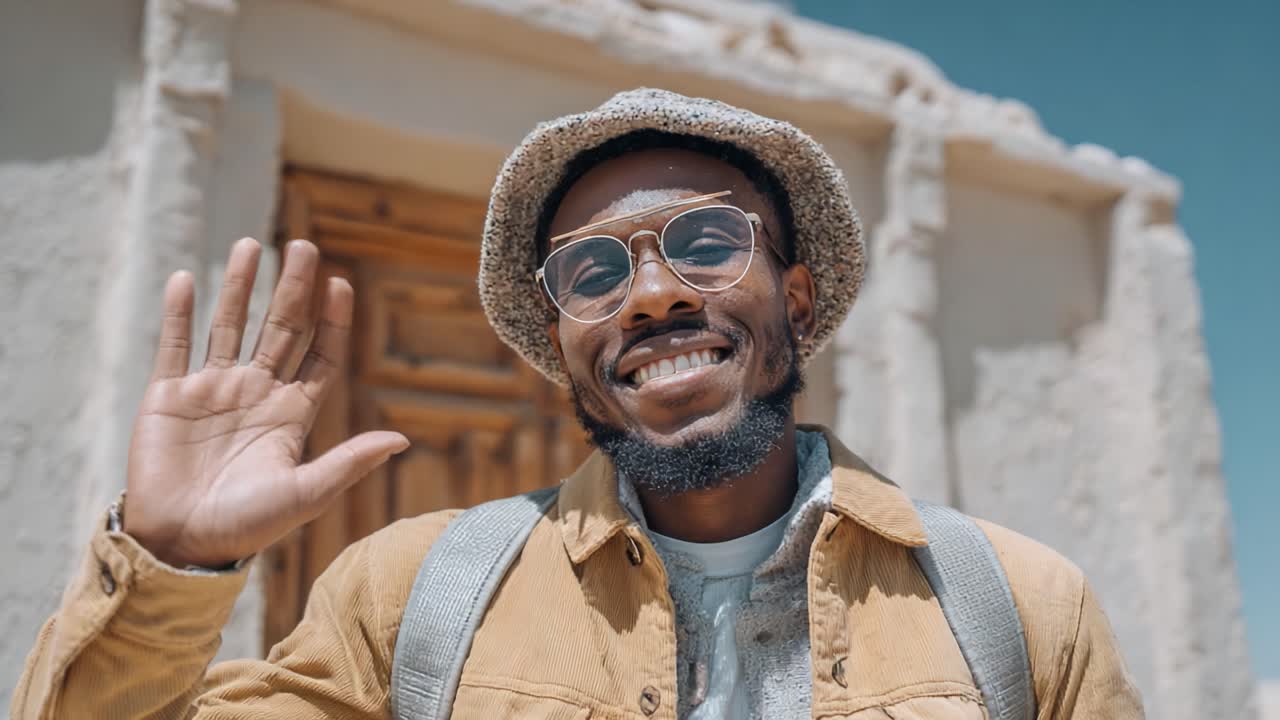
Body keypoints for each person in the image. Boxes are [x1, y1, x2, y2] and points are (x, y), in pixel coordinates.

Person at [13, 89, 1144, 719]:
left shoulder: (1019, 610)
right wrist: (171, 564)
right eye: (593, 275)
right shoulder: (409, 601)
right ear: (562, 346)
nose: (651, 294)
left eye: (705, 244)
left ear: (795, 301)